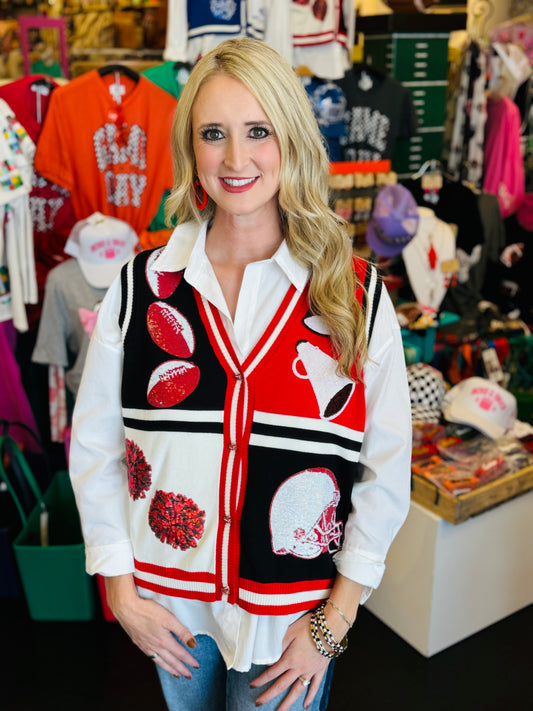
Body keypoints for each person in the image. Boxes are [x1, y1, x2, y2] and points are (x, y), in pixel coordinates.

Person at [69, 37, 412, 711]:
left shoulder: (351, 296)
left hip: (290, 623)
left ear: (289, 138)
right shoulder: (142, 287)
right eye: (213, 134)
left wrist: (333, 622)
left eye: (257, 131)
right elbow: (95, 448)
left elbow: (386, 471)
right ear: (190, 148)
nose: (234, 158)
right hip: (172, 614)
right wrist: (119, 590)